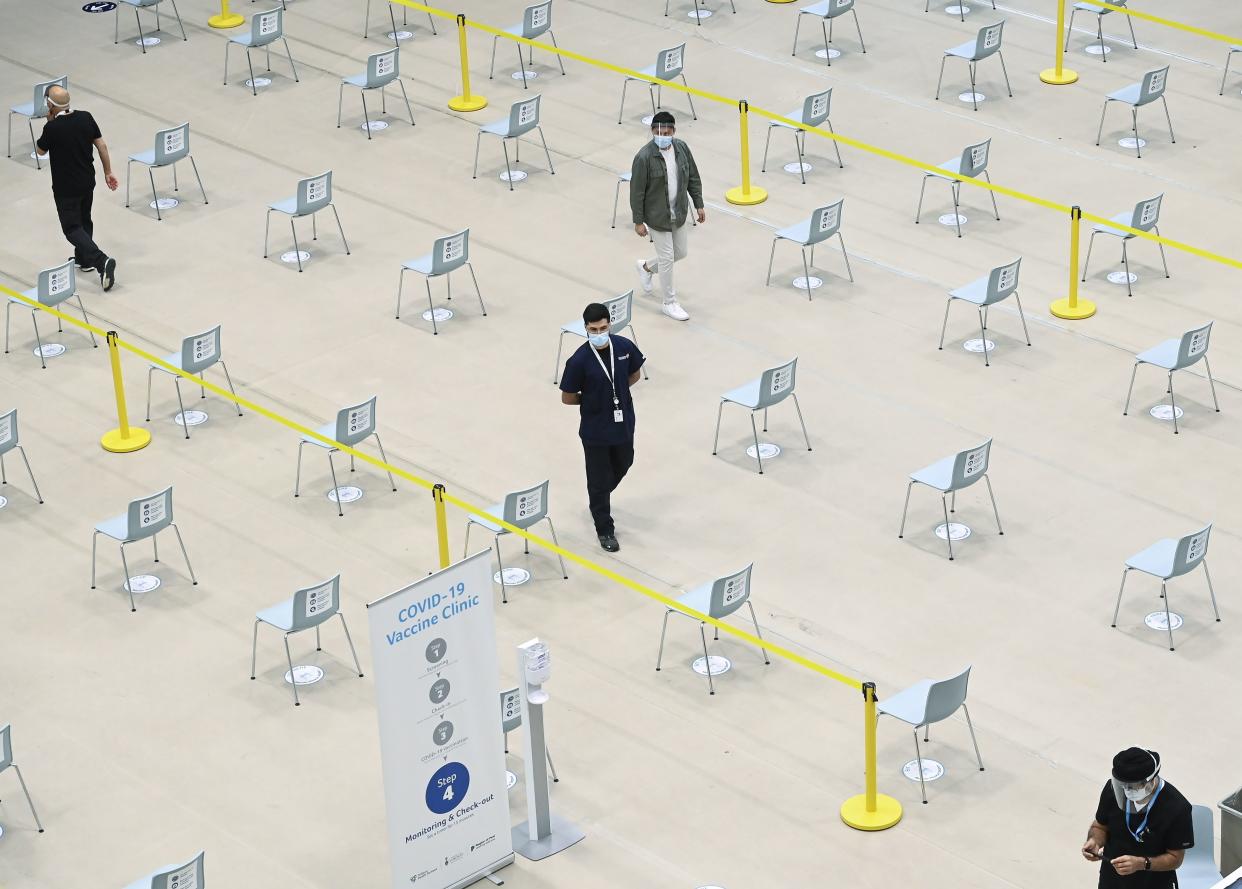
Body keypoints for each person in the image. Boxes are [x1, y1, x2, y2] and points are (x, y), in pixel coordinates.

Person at [559, 303, 645, 552]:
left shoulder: (624, 347)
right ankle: (604, 528)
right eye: (594, 329)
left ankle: (599, 498)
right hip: (595, 430)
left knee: (625, 461)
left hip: (623, 422)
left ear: (610, 325)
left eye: (604, 328)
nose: (599, 333)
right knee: (597, 481)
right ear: (585, 329)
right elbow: (567, 396)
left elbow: (635, 373)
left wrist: (615, 393)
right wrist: (592, 400)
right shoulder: (579, 360)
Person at [35, 85, 118, 291]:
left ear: (50, 105)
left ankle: (101, 261)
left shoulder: (52, 128)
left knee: (71, 228)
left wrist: (49, 124)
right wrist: (108, 172)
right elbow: (102, 146)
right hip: (87, 181)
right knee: (84, 219)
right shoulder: (86, 117)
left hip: (66, 187)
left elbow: (40, 150)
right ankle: (84, 259)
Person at [630, 110, 704, 322]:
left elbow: (693, 177)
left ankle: (645, 267)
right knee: (667, 259)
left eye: (667, 130)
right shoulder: (643, 157)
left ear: (674, 131)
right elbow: (637, 192)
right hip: (656, 216)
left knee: (680, 252)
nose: (663, 134)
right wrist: (638, 221)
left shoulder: (681, 148)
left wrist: (698, 204)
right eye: (659, 131)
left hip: (678, 211)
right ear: (653, 131)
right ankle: (669, 302)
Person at [1082, 748, 1193, 888]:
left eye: (1133, 786)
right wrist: (1094, 841)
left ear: (1150, 781)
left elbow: (1175, 858)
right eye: (1122, 785)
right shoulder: (1112, 791)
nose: (1127, 791)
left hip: (1152, 883)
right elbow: (1100, 826)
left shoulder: (1177, 808)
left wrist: (1142, 863)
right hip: (1112, 879)